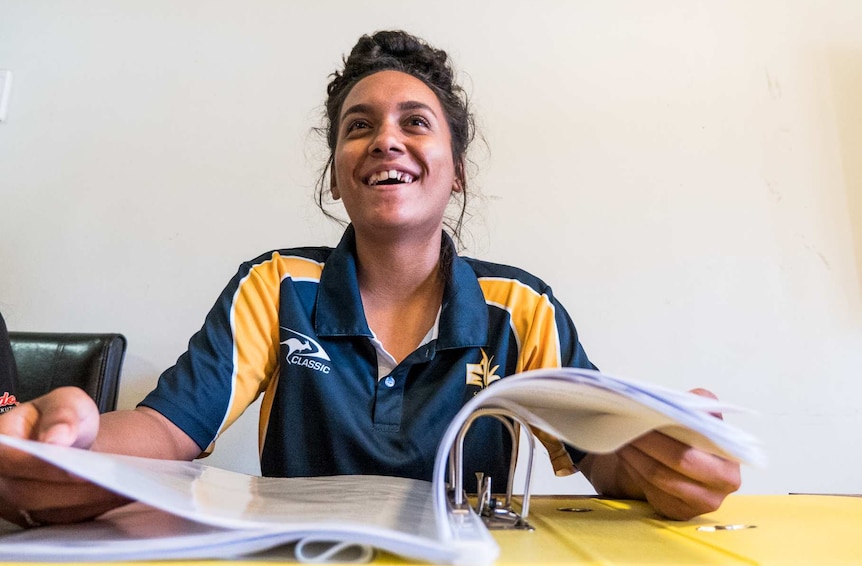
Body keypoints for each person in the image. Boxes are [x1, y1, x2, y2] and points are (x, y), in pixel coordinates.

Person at [0, 30, 740, 529]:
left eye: (415, 122)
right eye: (359, 125)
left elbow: (602, 452)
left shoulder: (521, 306)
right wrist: (67, 442)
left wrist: (661, 460)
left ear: (455, 171)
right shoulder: (274, 285)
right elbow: (166, 430)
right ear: (336, 172)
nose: (385, 137)